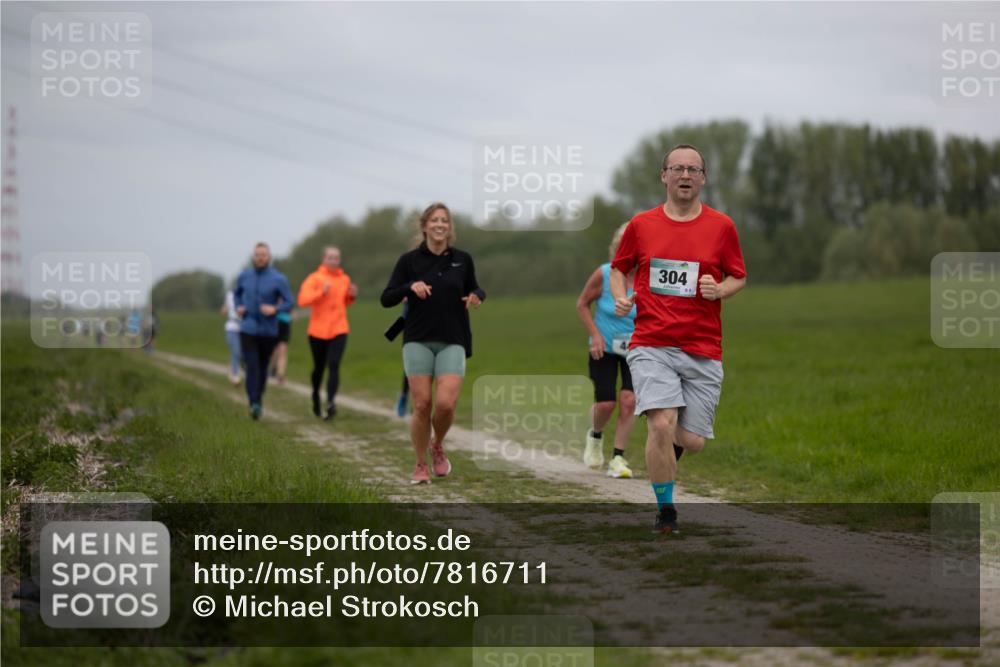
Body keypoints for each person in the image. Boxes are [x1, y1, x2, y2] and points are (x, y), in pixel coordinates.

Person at [610, 144, 747, 533]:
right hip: (651, 342)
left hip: (703, 346)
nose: (685, 175)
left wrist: (720, 290)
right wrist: (621, 297)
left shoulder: (722, 227)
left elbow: (738, 276)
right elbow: (620, 269)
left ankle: (660, 460)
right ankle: (666, 510)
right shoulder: (642, 225)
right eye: (677, 169)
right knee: (661, 423)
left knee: (692, 439)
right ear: (664, 176)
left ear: (703, 178)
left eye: (693, 169)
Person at [381, 202, 485, 485]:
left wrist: (477, 295)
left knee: (446, 404)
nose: (440, 225)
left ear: (449, 227)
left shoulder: (463, 260)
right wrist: (409, 287)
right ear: (425, 226)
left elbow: (475, 287)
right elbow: (386, 297)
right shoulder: (409, 261)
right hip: (417, 338)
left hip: (454, 338)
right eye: (435, 220)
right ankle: (419, 465)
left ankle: (436, 444)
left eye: (445, 221)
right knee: (422, 404)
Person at [577, 222, 637, 478]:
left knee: (630, 401)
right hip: (605, 346)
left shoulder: (648, 277)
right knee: (606, 404)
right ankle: (595, 435)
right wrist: (595, 335)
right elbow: (582, 304)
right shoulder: (604, 273)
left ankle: (618, 458)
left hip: (637, 347)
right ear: (617, 245)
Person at [234, 242, 294, 420]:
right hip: (248, 327)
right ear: (253, 257)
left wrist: (275, 309)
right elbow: (237, 294)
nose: (260, 258)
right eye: (257, 255)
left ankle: (258, 399)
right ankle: (253, 401)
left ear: (269, 258)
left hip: (269, 330)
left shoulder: (278, 279)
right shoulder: (244, 276)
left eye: (263, 255)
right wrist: (239, 307)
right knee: (252, 365)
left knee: (262, 367)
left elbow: (290, 302)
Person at [297, 246, 357, 420]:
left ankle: (330, 402)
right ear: (323, 259)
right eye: (330, 257)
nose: (333, 260)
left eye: (336, 258)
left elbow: (344, 302)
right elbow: (302, 300)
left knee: (334, 364)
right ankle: (315, 394)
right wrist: (320, 292)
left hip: (339, 328)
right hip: (317, 331)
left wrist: (352, 295)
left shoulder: (344, 279)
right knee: (319, 368)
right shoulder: (314, 278)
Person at [221, 289, 242, 385]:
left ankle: (232, 366)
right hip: (232, 326)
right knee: (235, 350)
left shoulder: (249, 293)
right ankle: (235, 375)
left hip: (244, 327)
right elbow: (225, 309)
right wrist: (225, 310)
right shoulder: (230, 295)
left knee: (240, 352)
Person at [269, 306, 292, 386]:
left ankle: (280, 375)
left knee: (282, 350)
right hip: (274, 322)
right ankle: (273, 369)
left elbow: (290, 305)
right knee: (274, 350)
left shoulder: (286, 294)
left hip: (284, 323)